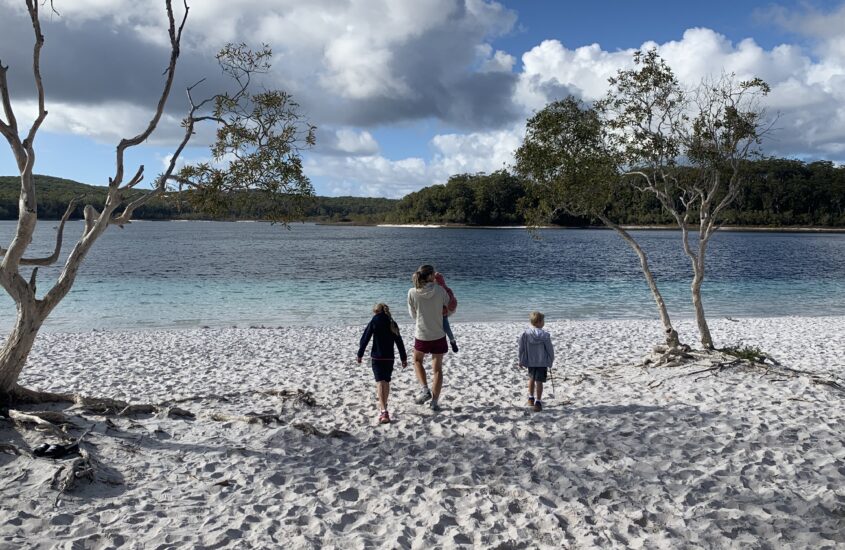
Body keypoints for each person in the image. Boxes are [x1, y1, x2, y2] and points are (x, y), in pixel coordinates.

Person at [408, 264, 451, 411]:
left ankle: (424, 388)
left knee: (417, 360)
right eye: (433, 274)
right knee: (437, 369)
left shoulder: (412, 292)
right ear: (431, 276)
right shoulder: (439, 290)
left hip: (422, 334)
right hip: (438, 333)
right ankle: (434, 402)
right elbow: (448, 304)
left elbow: (413, 315)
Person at [357, 303, 407, 424]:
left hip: (377, 357)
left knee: (380, 383)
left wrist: (360, 354)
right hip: (389, 358)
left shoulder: (374, 321)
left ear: (376, 312)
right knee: (386, 382)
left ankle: (383, 410)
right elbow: (399, 341)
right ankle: (384, 406)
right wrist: (403, 358)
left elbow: (365, 338)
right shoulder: (392, 322)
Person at [518, 311, 555, 412]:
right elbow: (550, 350)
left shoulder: (525, 334)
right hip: (541, 362)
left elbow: (521, 348)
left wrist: (521, 360)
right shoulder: (545, 335)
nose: (544, 322)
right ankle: (537, 402)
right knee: (539, 382)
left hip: (531, 361)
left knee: (531, 379)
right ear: (539, 322)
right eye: (543, 320)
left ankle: (531, 398)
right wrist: (550, 360)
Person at [434, 271, 459, 352]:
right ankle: (452, 341)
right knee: (446, 328)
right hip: (439, 313)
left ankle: (452, 341)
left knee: (445, 328)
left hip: (442, 313)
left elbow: (450, 299)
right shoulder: (444, 289)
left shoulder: (442, 289)